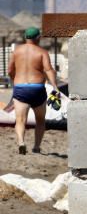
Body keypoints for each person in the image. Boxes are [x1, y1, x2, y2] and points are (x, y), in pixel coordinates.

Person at [6, 26, 59, 155]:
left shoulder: (16, 51)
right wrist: (55, 87)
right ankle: (36, 147)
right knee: (40, 121)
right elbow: (48, 70)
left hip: (20, 89)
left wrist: (15, 81)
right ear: (38, 38)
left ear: (25, 37)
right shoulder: (42, 52)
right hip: (37, 89)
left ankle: (21, 142)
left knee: (20, 120)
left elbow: (9, 71)